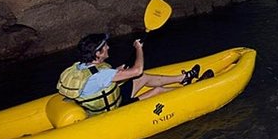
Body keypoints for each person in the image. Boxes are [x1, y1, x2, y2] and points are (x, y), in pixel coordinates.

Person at [57, 33, 213, 115]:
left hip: (104, 102)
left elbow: (98, 79)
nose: (108, 48)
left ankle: (184, 78)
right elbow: (137, 69)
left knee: (142, 77)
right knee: (154, 89)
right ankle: (192, 90)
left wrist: (117, 70)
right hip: (113, 110)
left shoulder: (81, 66)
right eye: (105, 47)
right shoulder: (102, 75)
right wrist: (139, 48)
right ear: (97, 54)